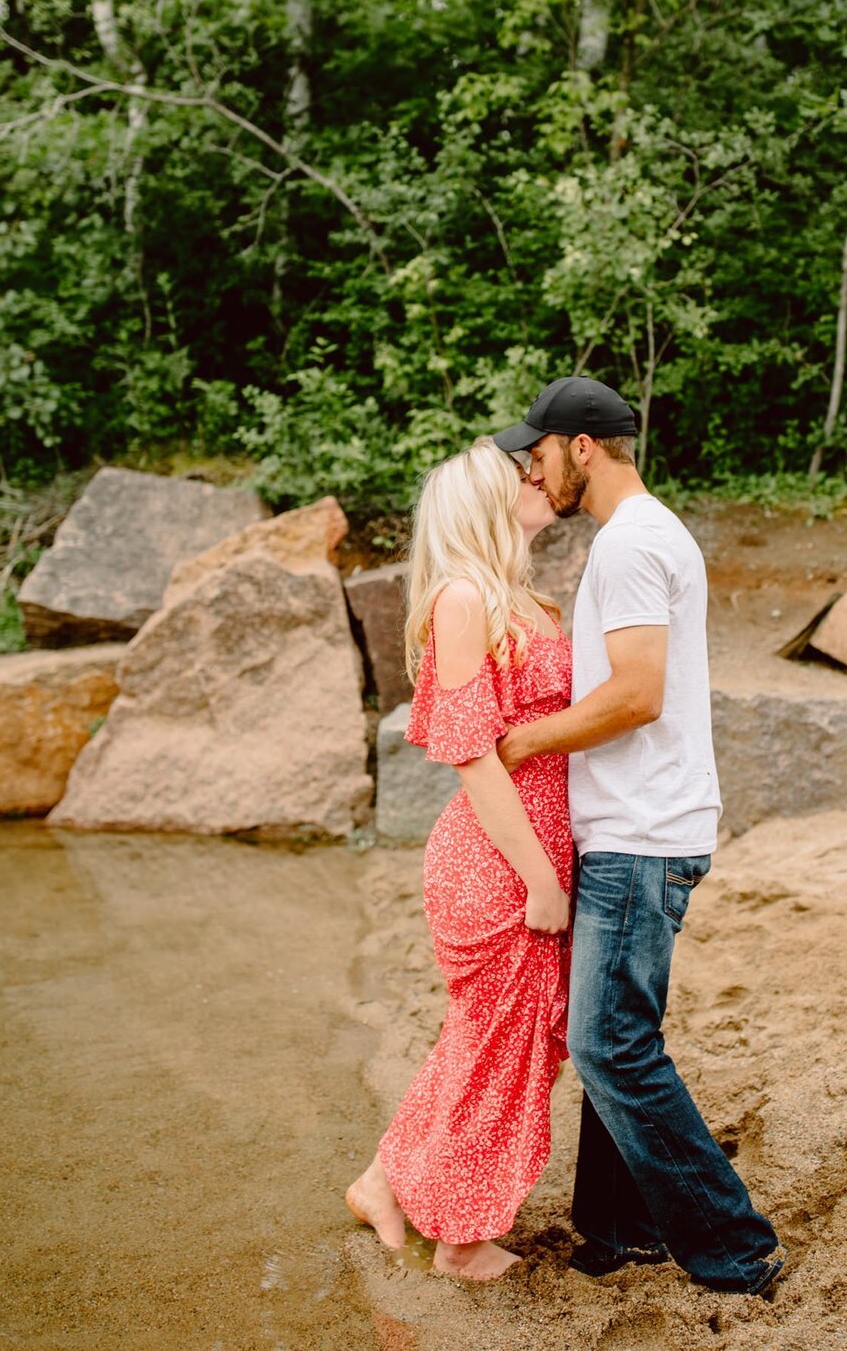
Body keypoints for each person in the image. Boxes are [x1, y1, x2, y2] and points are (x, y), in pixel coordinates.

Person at [493, 376, 784, 1296]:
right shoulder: (649, 535)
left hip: (640, 834)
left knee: (611, 1043)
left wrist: (523, 740)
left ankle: (736, 1246)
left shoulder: (629, 543)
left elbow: (636, 693)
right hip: (648, 825)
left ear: (582, 447)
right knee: (619, 1032)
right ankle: (619, 1225)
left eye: (538, 451)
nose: (531, 467)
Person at [347, 439, 572, 1280]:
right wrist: (542, 878)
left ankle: (384, 1180)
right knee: (501, 1042)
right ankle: (463, 1238)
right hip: (499, 862)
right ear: (486, 499)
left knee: (491, 1038)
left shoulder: (520, 596)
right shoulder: (464, 598)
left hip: (534, 849)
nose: (535, 477)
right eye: (517, 475)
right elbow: (473, 755)